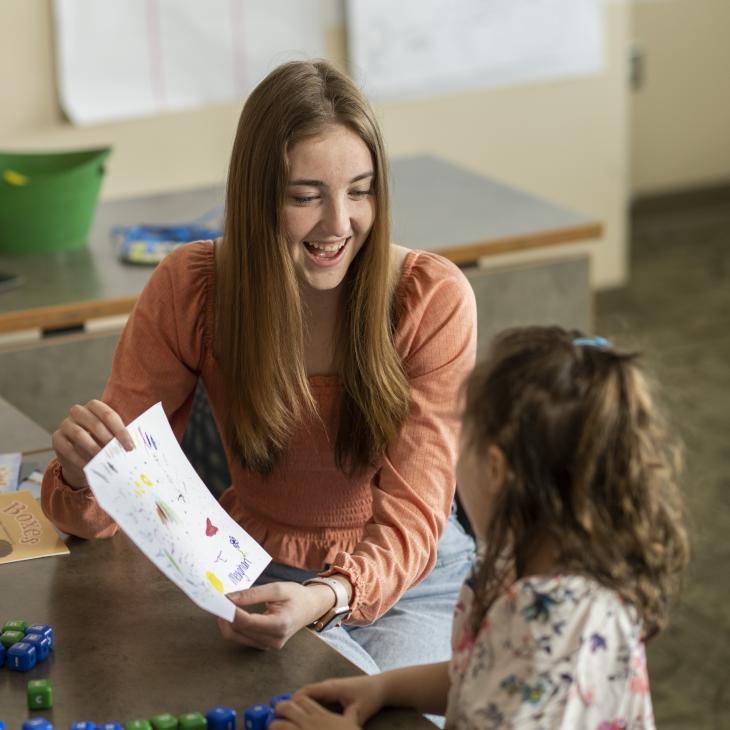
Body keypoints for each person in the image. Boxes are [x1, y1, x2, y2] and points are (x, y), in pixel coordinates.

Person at [40, 59, 477, 675]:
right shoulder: (191, 288)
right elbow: (98, 514)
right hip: (255, 568)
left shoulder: (431, 298)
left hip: (411, 582)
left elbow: (413, 518)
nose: (338, 224)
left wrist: (328, 596)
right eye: (305, 196)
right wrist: (87, 476)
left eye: (360, 191)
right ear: (255, 197)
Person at [270, 326, 690, 729]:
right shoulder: (522, 566)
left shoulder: (557, 620)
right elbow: (483, 677)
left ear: (494, 469)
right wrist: (381, 687)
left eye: (460, 437)